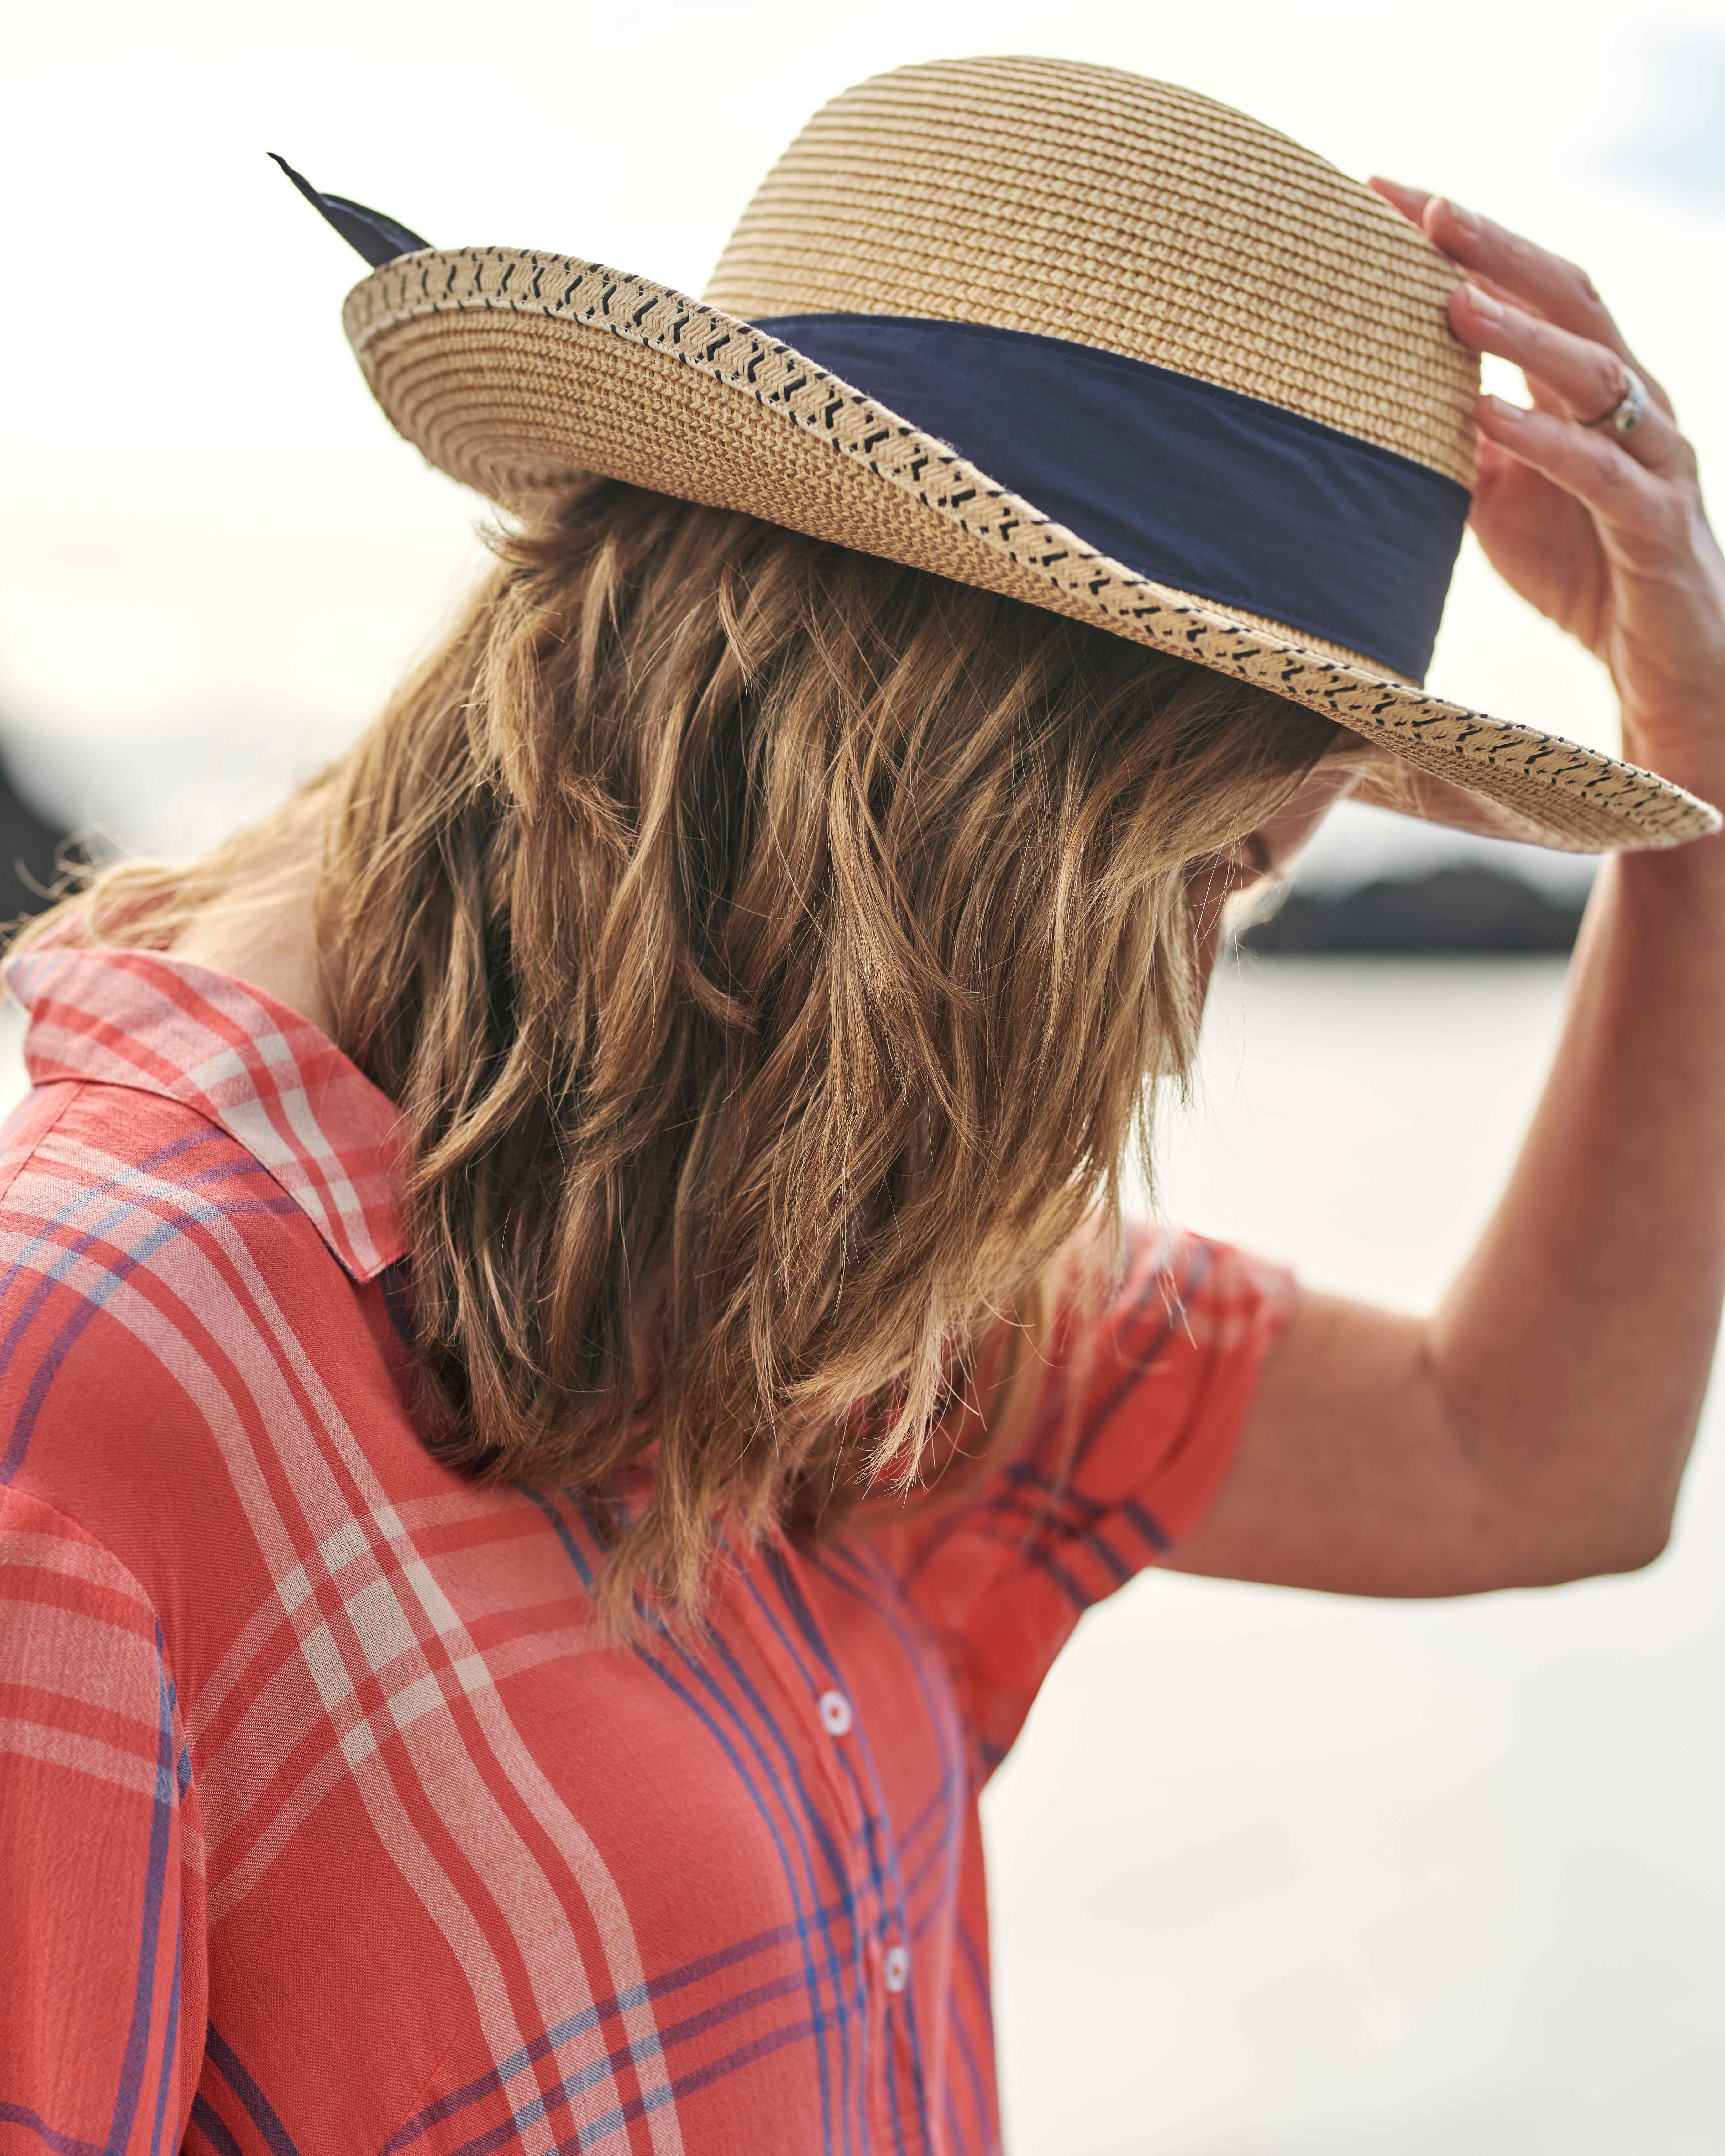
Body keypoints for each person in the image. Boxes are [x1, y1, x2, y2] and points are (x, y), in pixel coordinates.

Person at [3, 53, 1722, 2156]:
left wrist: (1701, 762)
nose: (1182, 1006)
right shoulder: (86, 1380)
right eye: (1206, 875)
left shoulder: (841, 1296)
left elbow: (1520, 1460)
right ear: (938, 774)